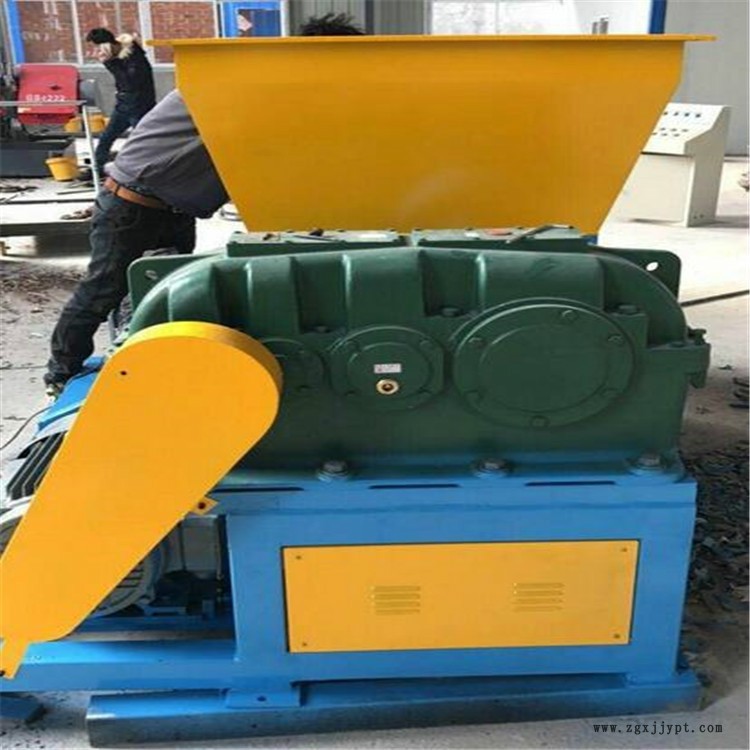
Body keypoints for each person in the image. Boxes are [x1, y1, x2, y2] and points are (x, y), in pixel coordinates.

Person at [44, 14, 364, 397]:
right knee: (103, 291)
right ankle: (60, 375)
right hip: (132, 203)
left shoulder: (273, 88)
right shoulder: (245, 86)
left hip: (173, 208)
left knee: (166, 297)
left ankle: (151, 374)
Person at [85, 28, 156, 177]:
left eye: (99, 49)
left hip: (139, 105)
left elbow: (129, 83)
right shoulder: (120, 58)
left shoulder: (135, 59)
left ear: (108, 45)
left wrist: (110, 62)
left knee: (142, 141)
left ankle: (143, 170)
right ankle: (97, 169)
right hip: (123, 104)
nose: (97, 53)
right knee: (106, 137)